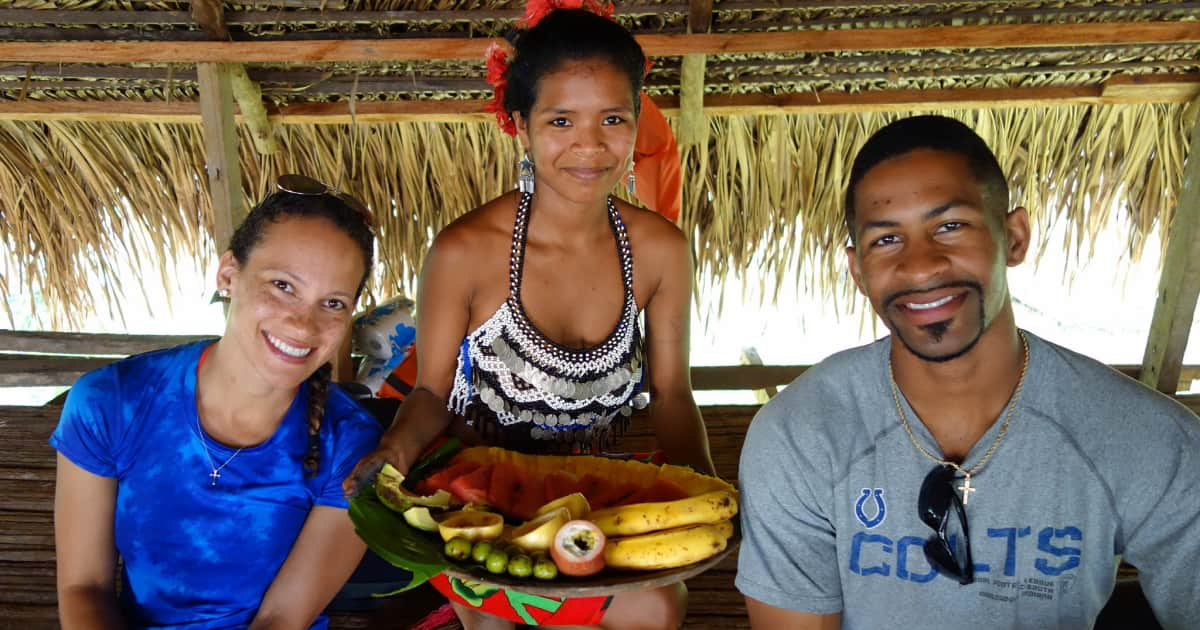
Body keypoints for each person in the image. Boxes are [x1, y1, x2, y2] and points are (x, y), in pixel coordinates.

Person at [735, 115, 1200, 629]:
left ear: (1014, 236)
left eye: (950, 226)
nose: (921, 265)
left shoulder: (1145, 438)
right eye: (886, 240)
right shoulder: (799, 433)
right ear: (857, 271)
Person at [344, 5, 715, 629]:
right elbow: (432, 391)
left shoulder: (661, 251)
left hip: (602, 498)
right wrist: (395, 453)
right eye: (561, 120)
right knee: (492, 617)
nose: (589, 145)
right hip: (479, 502)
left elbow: (672, 394)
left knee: (656, 606)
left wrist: (708, 497)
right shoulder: (464, 251)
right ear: (520, 124)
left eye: (613, 119)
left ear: (636, 119)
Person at [52, 175, 383, 629]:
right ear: (229, 274)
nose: (304, 324)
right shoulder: (113, 403)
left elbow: (282, 619)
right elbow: (82, 588)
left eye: (332, 302)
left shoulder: (349, 442)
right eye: (283, 285)